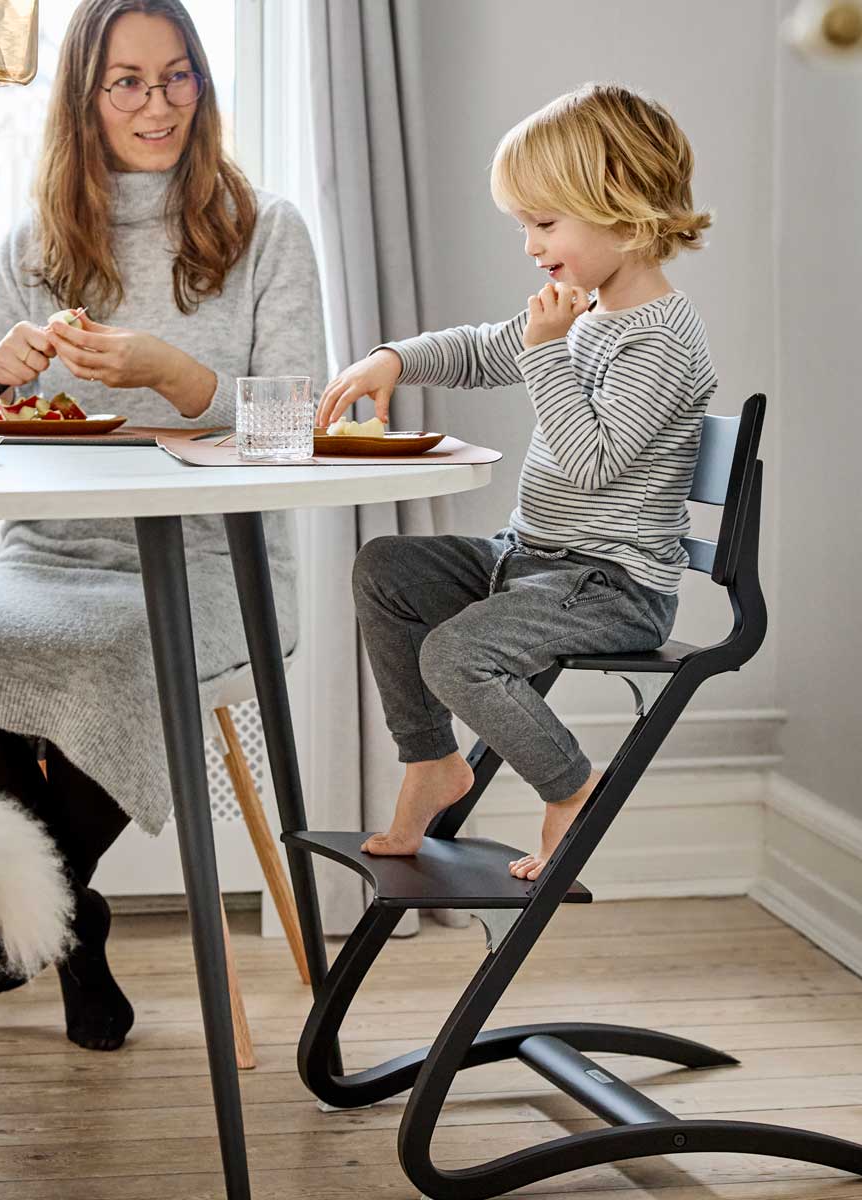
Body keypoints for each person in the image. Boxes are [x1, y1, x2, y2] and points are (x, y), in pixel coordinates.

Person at [0, 0, 325, 1050]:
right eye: (127, 81)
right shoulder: (33, 243)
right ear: (85, 99)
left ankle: (40, 912)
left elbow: (298, 425)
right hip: (50, 551)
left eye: (177, 75)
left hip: (218, 561)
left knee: (133, 659)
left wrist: (177, 375)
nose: (157, 103)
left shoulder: (266, 229)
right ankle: (74, 924)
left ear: (202, 85)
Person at [317, 82, 715, 882]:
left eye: (545, 222)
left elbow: (592, 459)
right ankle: (432, 761)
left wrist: (546, 351)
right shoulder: (586, 312)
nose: (531, 246)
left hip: (612, 585)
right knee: (386, 568)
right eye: (523, 225)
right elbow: (484, 348)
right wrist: (396, 359)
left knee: (454, 655)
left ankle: (571, 787)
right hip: (533, 559)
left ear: (622, 209)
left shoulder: (663, 341)